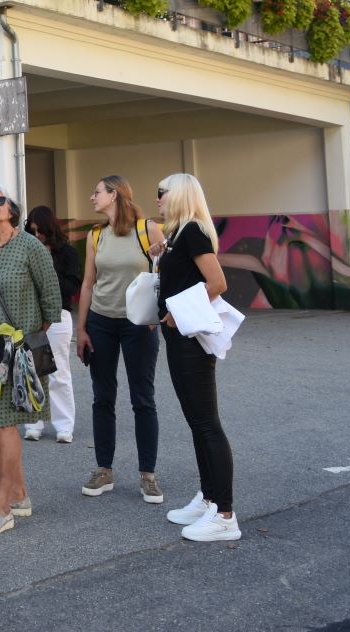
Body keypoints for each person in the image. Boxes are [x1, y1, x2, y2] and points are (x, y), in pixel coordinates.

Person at [0, 185, 60, 535]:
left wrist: (28, 339)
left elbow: (51, 297)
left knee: (5, 422)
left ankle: (3, 506)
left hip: (16, 349)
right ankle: (19, 495)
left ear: (11, 209)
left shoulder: (30, 245)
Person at [156, 172, 239, 542]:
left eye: (162, 192)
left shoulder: (192, 231)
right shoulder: (177, 235)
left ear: (178, 195)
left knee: (206, 422)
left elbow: (217, 283)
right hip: (178, 336)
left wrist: (179, 310)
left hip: (190, 337)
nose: (157, 198)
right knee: (196, 420)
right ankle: (209, 498)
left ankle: (225, 514)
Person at [75, 175, 166, 504]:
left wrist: (158, 315)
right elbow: (88, 283)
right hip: (101, 321)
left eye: (97, 192)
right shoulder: (95, 235)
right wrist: (81, 329)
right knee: (103, 397)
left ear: (114, 195)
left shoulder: (148, 229)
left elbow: (167, 274)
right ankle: (104, 470)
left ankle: (148, 475)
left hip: (138, 323)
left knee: (143, 398)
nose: (92, 197)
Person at [23, 205, 82, 443]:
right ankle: (33, 423)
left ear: (50, 229)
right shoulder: (26, 250)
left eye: (41, 231)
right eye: (33, 231)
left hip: (58, 314)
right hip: (30, 314)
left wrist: (46, 271)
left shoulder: (67, 252)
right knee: (31, 369)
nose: (37, 235)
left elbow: (72, 285)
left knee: (59, 372)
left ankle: (64, 426)